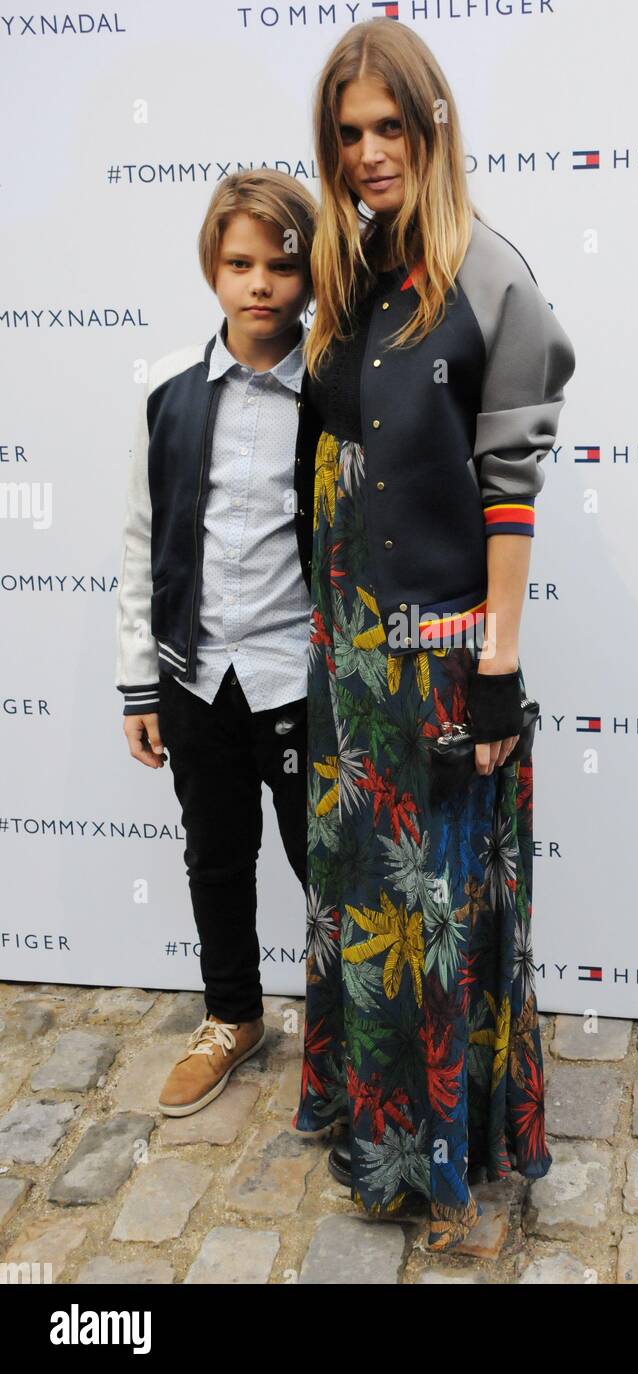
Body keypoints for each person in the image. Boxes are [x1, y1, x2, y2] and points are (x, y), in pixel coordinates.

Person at [292, 19, 576, 1253]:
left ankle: (463, 1167)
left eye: (388, 128)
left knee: (445, 915)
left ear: (433, 125)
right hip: (351, 665)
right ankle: (378, 1139)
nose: (367, 153)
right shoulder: (349, 276)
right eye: (348, 134)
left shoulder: (490, 275)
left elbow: (507, 491)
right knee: (370, 909)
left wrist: (500, 675)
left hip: (451, 659)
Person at [114, 171, 318, 1116]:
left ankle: (352, 1029)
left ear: (311, 275)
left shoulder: (333, 390)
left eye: (283, 264)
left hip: (300, 679)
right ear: (213, 268)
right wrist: (139, 684)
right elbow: (141, 540)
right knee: (215, 855)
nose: (261, 285)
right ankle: (233, 1016)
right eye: (241, 264)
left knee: (327, 858)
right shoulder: (167, 389)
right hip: (196, 678)